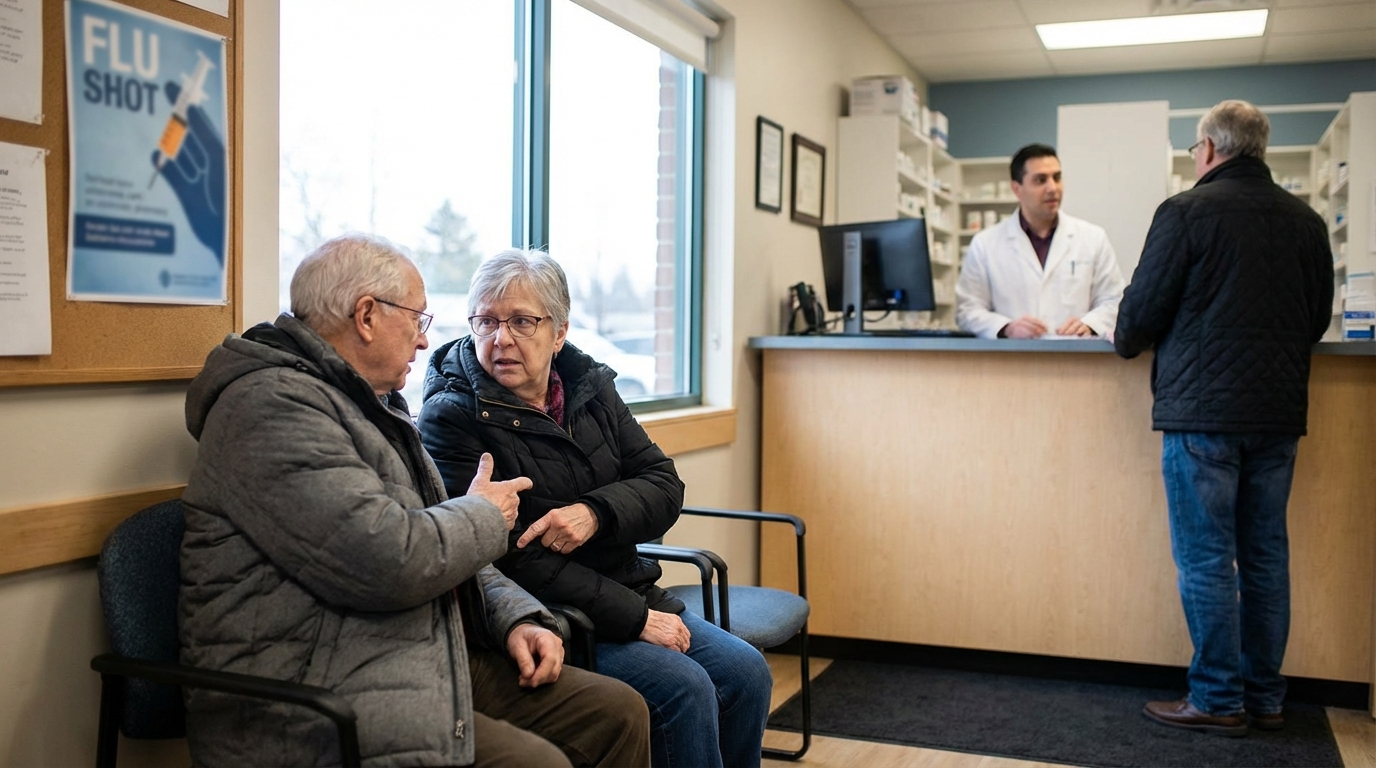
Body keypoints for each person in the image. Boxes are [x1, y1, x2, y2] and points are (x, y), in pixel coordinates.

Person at [179, 234, 650, 767]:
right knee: (537, 762)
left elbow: (443, 537)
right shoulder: (271, 410)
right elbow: (392, 559)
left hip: (407, 649)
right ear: (366, 316)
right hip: (314, 689)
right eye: (418, 320)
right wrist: (484, 514)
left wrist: (518, 618)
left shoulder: (374, 406)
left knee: (619, 712)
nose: (425, 342)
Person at [418, 249, 774, 768]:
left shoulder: (590, 387)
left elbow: (663, 484)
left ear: (558, 333)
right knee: (686, 689)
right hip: (557, 616)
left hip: (628, 588)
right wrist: (636, 619)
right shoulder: (452, 415)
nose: (501, 338)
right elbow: (511, 556)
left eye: (522, 321)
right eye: (486, 321)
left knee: (747, 673)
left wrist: (596, 513)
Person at [1113, 101, 1333, 737]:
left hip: (1202, 413)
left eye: (1193, 150)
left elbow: (1135, 324)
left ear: (1209, 149)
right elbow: (1315, 320)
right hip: (1278, 414)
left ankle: (1214, 698)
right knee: (1265, 557)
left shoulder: (1184, 212)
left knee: (1208, 560)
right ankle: (1264, 698)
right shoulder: (1307, 221)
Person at [956, 143, 1126, 339]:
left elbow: (1114, 300)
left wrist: (1089, 324)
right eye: (1040, 180)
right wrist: (1007, 328)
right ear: (1017, 189)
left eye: (1057, 177)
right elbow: (967, 310)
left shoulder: (1093, 238)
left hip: (1077, 360)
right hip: (1012, 361)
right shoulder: (985, 244)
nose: (1052, 188)